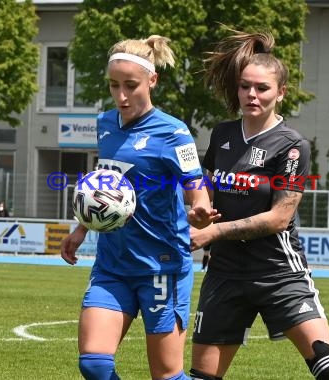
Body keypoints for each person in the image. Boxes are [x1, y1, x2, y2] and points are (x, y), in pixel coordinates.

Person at [188, 30, 329, 380]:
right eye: (245, 86)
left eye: (262, 88)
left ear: (281, 93)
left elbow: (280, 217)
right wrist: (200, 208)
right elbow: (206, 183)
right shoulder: (222, 134)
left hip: (278, 271)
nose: (251, 95)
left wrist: (213, 231)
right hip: (225, 274)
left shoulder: (292, 145)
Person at [60, 35, 219, 380]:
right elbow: (106, 184)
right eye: (114, 85)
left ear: (152, 80)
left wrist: (201, 209)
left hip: (161, 267)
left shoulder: (174, 132)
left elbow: (195, 185)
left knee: (166, 375)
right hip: (112, 263)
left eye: (130, 86)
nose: (121, 96)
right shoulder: (105, 125)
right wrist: (82, 227)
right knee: (94, 364)